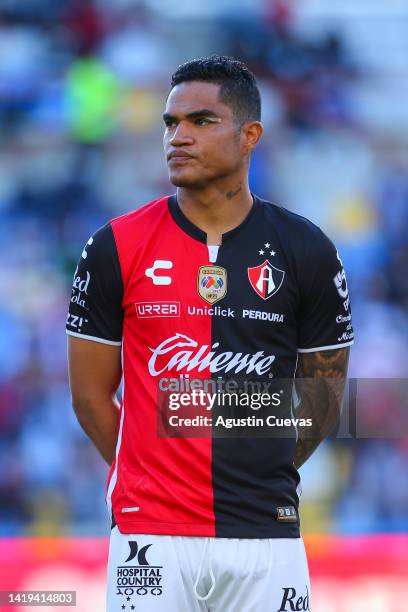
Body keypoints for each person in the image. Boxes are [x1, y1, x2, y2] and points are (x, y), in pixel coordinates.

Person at [67, 55, 354, 612]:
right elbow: (88, 398)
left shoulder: (309, 251)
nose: (179, 136)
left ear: (250, 136)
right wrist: (153, 474)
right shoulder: (113, 247)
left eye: (201, 121)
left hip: (266, 536)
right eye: (171, 123)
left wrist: (253, 466)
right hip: (149, 540)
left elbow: (324, 400)